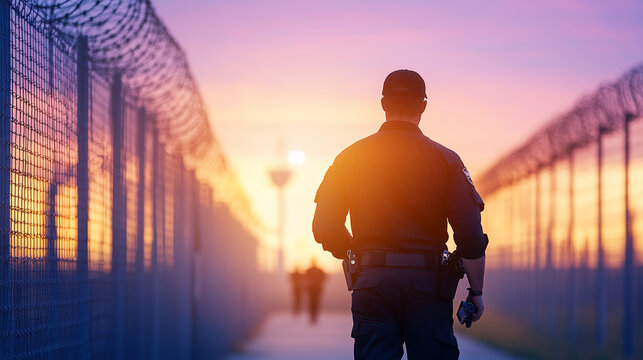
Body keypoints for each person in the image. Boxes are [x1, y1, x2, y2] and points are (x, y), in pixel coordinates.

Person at [312, 69, 487, 360]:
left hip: (372, 283)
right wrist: (476, 293)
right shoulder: (447, 160)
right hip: (430, 287)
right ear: (423, 106)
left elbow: (324, 225)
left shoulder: (349, 158)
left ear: (383, 104)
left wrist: (356, 254)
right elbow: (469, 235)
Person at [304, 259, 326, 324]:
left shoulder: (309, 270)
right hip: (314, 289)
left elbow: (304, 278)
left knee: (313, 303)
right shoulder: (318, 270)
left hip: (314, 289)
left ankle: (313, 317)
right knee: (314, 303)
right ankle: (313, 317)